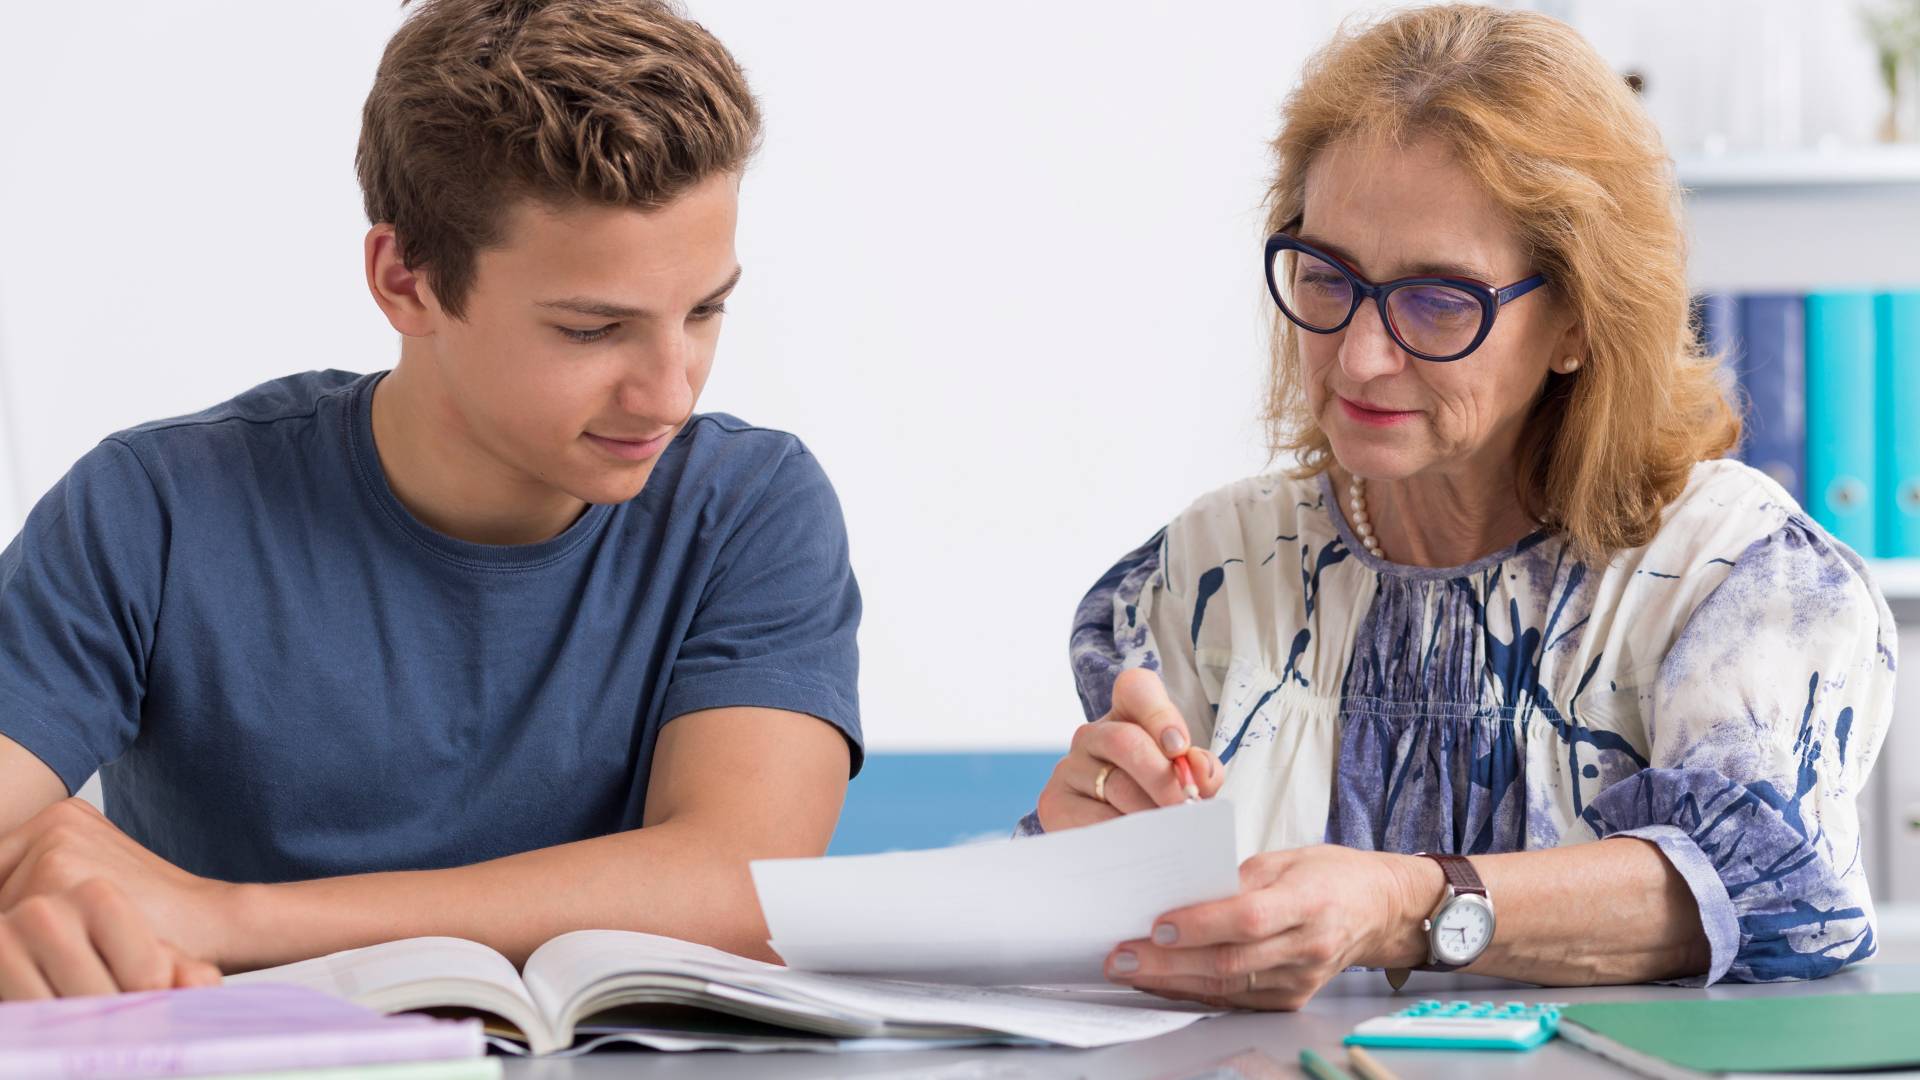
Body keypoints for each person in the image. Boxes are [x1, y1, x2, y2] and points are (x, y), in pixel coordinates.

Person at [1028, 3, 1895, 1009]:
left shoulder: (1741, 581)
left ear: (1578, 318)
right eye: (1326, 275)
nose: (1358, 355)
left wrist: (1406, 904)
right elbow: (1103, 948)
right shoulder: (1209, 572)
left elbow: (1775, 894)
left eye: (1438, 301)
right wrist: (1071, 854)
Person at [0, 0, 861, 1000]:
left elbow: (742, 888)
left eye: (705, 310)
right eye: (591, 330)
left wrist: (222, 917)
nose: (670, 392)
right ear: (404, 280)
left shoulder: (751, 508)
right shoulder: (149, 510)